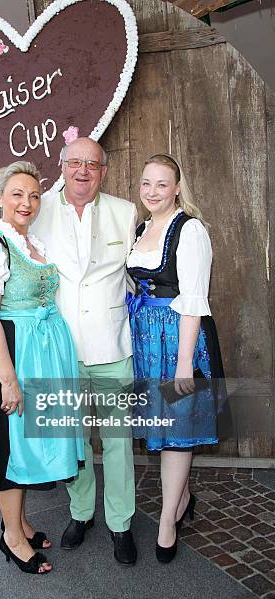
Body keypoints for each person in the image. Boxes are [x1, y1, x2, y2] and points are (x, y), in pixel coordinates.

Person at [0, 161, 84, 575]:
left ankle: (21, 522)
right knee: (8, 449)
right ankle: (11, 537)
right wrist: (9, 381)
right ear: (0, 196)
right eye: (17, 194)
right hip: (9, 359)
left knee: (25, 449)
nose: (26, 203)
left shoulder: (32, 241)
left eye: (33, 195)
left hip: (40, 354)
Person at [32, 137, 138, 565]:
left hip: (113, 344)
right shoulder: (39, 210)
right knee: (72, 438)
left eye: (91, 164)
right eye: (74, 162)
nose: (82, 171)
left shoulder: (125, 212)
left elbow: (136, 276)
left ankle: (121, 523)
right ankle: (81, 513)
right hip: (59, 350)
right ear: (61, 166)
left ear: (104, 171)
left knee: (118, 440)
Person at [126, 153, 226, 563]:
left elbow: (193, 302)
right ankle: (182, 497)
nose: (152, 192)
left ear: (178, 188)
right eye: (146, 183)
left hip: (179, 341)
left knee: (176, 432)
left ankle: (168, 520)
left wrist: (184, 365)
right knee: (162, 429)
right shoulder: (141, 227)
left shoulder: (190, 230)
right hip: (147, 340)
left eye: (162, 184)